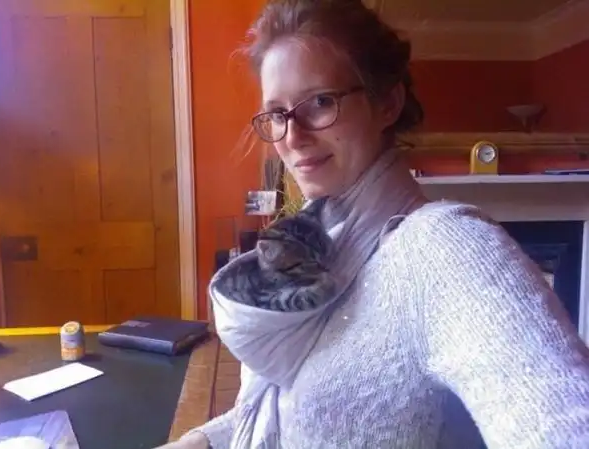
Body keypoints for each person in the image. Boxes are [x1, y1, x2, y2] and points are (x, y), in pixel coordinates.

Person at [157, 0, 589, 448]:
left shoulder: (445, 248)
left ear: (387, 103)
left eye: (320, 102)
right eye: (277, 114)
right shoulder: (320, 242)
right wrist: (199, 441)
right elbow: (286, 411)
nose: (292, 137)